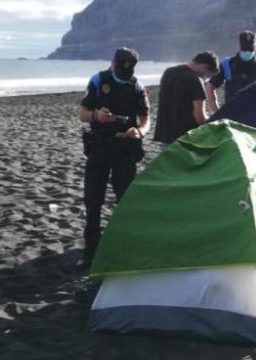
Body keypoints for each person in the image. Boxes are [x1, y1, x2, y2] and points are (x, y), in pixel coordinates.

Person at [77, 47, 150, 269]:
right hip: (100, 147)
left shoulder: (137, 86)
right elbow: (82, 113)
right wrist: (96, 116)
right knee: (93, 200)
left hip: (126, 149)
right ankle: (90, 251)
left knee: (126, 200)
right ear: (113, 63)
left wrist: (140, 132)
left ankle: (124, 246)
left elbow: (146, 118)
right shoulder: (99, 80)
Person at [153, 51, 219, 145]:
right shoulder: (196, 80)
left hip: (165, 135)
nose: (206, 79)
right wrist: (211, 120)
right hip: (185, 137)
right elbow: (199, 117)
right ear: (204, 67)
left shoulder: (168, 72)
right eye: (208, 75)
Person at [205, 31, 256, 113]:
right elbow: (210, 87)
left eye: (250, 48)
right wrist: (217, 113)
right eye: (245, 48)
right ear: (239, 46)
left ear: (255, 46)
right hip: (232, 116)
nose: (248, 51)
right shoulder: (226, 64)